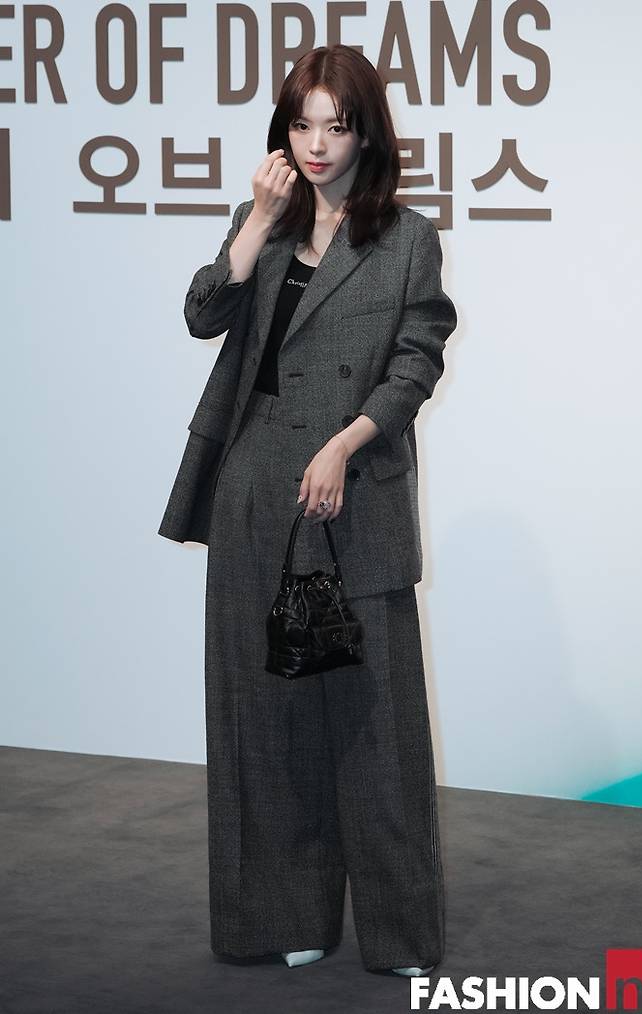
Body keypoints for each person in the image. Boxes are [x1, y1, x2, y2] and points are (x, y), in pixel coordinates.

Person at [158, 44, 458, 976]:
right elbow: (202, 315)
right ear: (282, 133)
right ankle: (281, 915)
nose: (317, 144)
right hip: (257, 489)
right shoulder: (266, 222)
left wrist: (346, 441)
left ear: (367, 134)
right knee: (264, 717)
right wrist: (255, 221)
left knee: (377, 723)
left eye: (336, 125)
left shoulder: (406, 237)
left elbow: (416, 359)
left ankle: (400, 934)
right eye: (301, 124)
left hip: (353, 492)